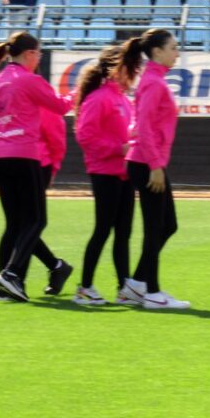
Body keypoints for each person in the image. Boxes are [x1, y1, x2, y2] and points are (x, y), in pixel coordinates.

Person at [0, 31, 72, 302]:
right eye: (38, 53)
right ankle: (12, 274)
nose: (39, 58)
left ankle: (3, 287)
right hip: (25, 155)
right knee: (36, 220)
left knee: (14, 224)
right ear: (29, 54)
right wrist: (79, 92)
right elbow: (60, 107)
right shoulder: (29, 80)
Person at [116, 29, 189, 310]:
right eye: (173, 48)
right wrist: (156, 166)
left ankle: (137, 284)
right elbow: (145, 127)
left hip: (149, 160)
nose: (177, 53)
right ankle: (152, 293)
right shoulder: (153, 82)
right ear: (157, 52)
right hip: (147, 162)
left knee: (167, 225)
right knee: (155, 227)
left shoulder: (154, 80)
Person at [72, 45, 134, 306]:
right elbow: (85, 136)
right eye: (129, 68)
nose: (133, 73)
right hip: (105, 172)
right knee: (103, 229)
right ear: (116, 69)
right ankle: (85, 287)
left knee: (123, 232)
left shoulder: (123, 99)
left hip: (124, 172)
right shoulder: (99, 98)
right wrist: (118, 149)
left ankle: (124, 288)